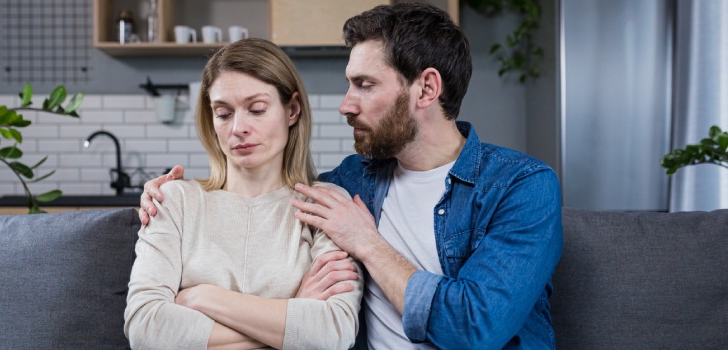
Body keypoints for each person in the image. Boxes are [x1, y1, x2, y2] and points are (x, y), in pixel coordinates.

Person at [140, 3, 563, 349]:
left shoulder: (521, 187)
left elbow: (475, 327)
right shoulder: (348, 183)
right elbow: (266, 191)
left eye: (364, 84)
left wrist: (368, 243)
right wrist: (169, 196)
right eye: (349, 84)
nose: (345, 104)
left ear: (427, 89)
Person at [124, 38, 363, 350]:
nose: (239, 127)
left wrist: (202, 297)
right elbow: (145, 328)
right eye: (223, 113)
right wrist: (291, 314)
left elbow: (332, 333)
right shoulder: (175, 201)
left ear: (292, 110)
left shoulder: (325, 205)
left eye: (257, 109)